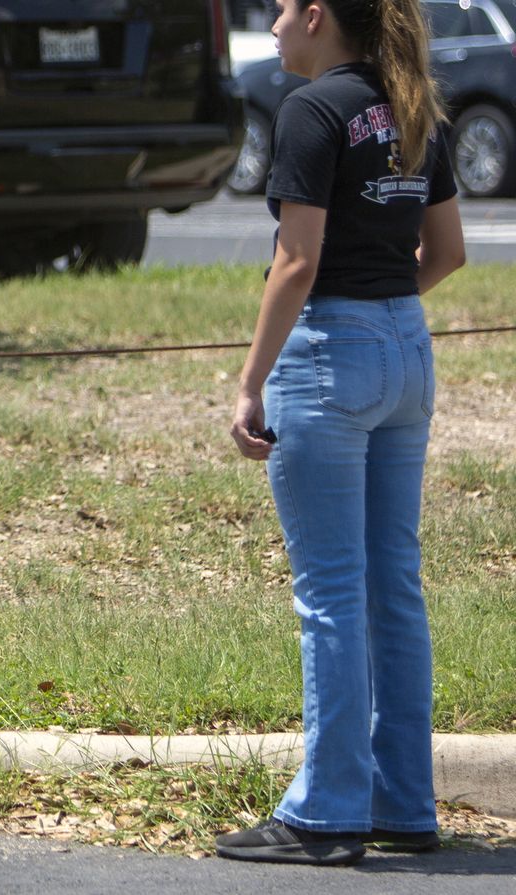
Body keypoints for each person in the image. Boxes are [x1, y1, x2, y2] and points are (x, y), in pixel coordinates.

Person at [217, 0, 464, 866]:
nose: (275, 27)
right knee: (393, 583)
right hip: (405, 347)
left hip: (329, 352)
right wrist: (384, 309)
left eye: (283, 9)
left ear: (318, 16)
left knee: (329, 591)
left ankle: (326, 811)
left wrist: (250, 382)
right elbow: (448, 251)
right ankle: (403, 801)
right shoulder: (413, 102)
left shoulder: (312, 109)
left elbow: (297, 260)